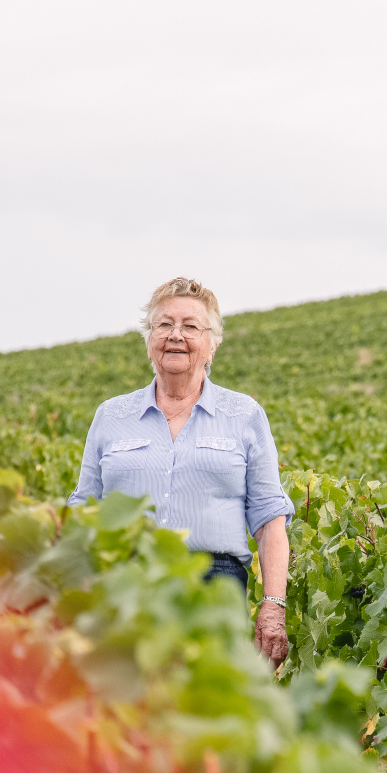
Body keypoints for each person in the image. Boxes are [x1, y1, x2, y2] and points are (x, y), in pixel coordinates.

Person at [69, 277, 293, 666]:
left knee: (204, 712)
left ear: (213, 341)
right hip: (126, 584)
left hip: (213, 587)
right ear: (149, 337)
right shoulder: (111, 415)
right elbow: (82, 507)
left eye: (190, 326)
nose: (176, 335)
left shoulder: (244, 415)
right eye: (164, 325)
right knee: (130, 712)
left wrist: (273, 605)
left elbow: (269, 519)